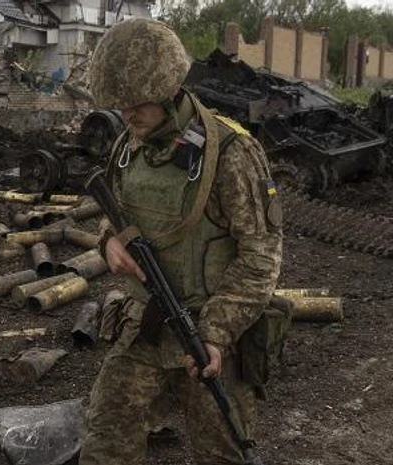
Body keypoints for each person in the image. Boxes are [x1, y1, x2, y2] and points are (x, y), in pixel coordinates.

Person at [79, 18, 284, 465]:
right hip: (145, 328)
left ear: (169, 90)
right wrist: (107, 241)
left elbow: (261, 256)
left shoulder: (231, 152)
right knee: (105, 442)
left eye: (137, 104)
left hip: (208, 337)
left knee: (222, 453)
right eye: (120, 106)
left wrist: (216, 332)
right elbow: (115, 218)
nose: (127, 115)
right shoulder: (129, 145)